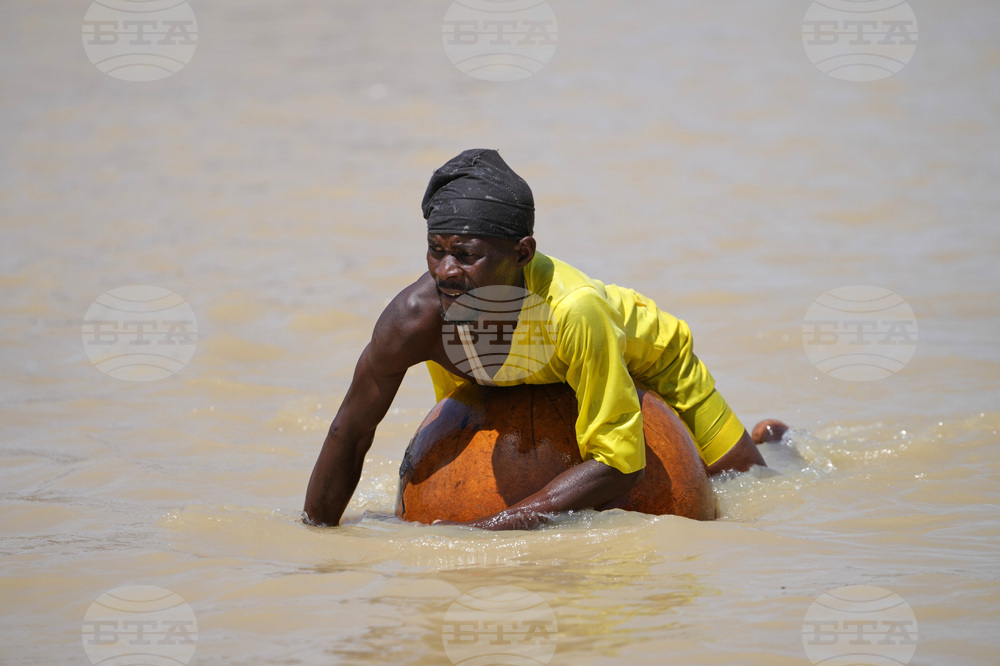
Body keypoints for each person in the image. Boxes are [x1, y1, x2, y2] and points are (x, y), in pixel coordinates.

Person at [304, 148, 786, 530]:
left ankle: (778, 441)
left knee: (751, 486)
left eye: (467, 256)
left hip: (648, 359)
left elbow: (621, 462)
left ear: (522, 252)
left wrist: (492, 529)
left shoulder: (574, 312)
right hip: (527, 375)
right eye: (436, 251)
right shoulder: (414, 322)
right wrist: (315, 542)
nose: (446, 273)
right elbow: (349, 433)